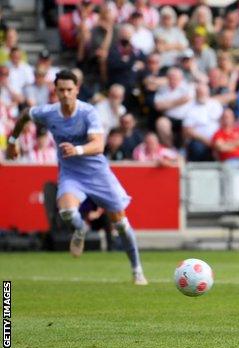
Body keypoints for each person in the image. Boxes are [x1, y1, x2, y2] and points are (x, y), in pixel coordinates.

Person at [6, 69, 148, 286]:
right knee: (66, 211)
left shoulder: (88, 112)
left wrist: (78, 149)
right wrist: (12, 140)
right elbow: (26, 114)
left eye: (69, 90)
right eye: (61, 90)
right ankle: (80, 229)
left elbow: (99, 145)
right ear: (56, 91)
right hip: (71, 174)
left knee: (120, 224)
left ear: (77, 90)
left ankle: (137, 270)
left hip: (98, 174)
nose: (65, 94)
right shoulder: (49, 112)